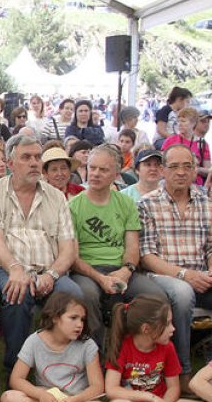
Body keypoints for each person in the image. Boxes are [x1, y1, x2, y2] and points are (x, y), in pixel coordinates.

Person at [139, 144, 212, 379]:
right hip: (165, 277)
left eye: (187, 167)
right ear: (162, 170)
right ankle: (182, 370)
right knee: (182, 293)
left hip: (202, 275)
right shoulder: (147, 204)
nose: (181, 172)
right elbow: (147, 257)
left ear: (194, 171)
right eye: (174, 167)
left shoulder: (205, 203)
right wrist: (185, 275)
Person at [0, 135, 82, 369]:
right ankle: (16, 370)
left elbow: (68, 249)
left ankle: (65, 369)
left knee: (73, 296)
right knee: (17, 294)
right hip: (6, 267)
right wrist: (15, 269)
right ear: (10, 163)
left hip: (49, 271)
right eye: (26, 157)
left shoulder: (56, 196)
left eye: (37, 157)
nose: (35, 162)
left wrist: (52, 275)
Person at [69, 144, 165, 348]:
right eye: (92, 168)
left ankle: (141, 355)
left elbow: (132, 247)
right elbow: (73, 257)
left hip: (120, 268)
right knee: (88, 294)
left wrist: (126, 271)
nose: (95, 174)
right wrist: (100, 278)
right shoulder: (73, 206)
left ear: (116, 173)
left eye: (103, 170)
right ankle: (94, 355)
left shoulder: (127, 203)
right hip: (88, 271)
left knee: (156, 296)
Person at [0, 292, 110, 402]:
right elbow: (16, 379)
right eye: (73, 318)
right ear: (55, 317)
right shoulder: (34, 341)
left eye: (82, 319)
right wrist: (40, 395)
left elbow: (97, 387)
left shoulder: (87, 345)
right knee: (8, 398)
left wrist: (76, 400)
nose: (79, 324)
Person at [104, 294, 212, 402]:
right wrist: (150, 399)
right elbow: (111, 389)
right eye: (167, 324)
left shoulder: (168, 348)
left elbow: (174, 387)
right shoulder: (123, 347)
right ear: (146, 329)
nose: (173, 329)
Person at [162, 107, 211, 186]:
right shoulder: (170, 140)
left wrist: (195, 169)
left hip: (195, 185)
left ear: (193, 123)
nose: (180, 124)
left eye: (183, 121)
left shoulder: (202, 144)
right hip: (173, 181)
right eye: (178, 121)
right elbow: (162, 163)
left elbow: (208, 170)